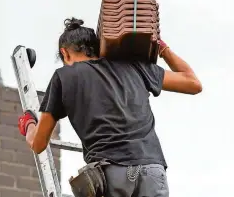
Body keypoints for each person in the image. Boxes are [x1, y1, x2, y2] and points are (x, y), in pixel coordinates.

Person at [17, 17, 202, 197]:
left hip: (112, 172)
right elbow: (193, 83)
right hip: (152, 171)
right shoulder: (134, 66)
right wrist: (162, 48)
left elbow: (39, 144)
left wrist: (29, 124)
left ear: (65, 53)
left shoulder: (64, 76)